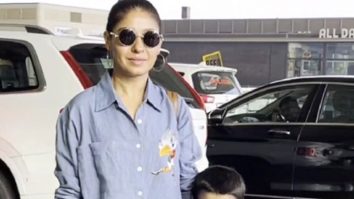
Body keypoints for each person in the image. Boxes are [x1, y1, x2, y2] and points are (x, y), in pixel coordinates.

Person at [54, 0, 202, 198]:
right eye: (127, 36)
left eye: (150, 38)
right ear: (108, 40)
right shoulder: (79, 112)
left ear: (159, 44)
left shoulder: (175, 109)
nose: (139, 48)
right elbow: (69, 191)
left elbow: (187, 184)